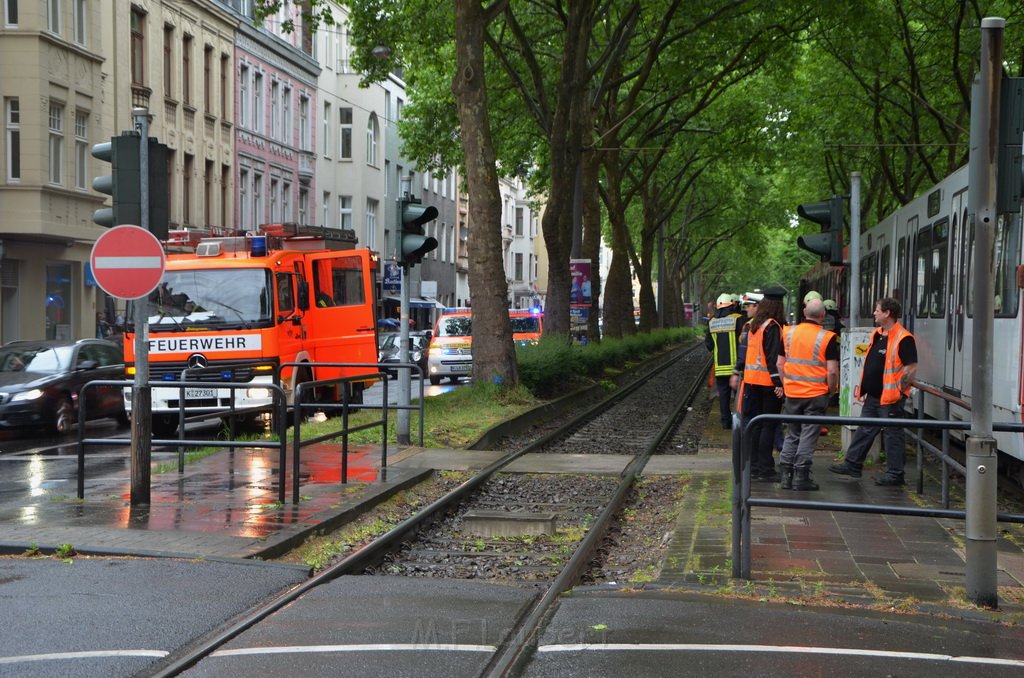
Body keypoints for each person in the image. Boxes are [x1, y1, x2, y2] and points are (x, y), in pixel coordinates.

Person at [830, 296, 918, 486]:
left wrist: (899, 392)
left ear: (887, 313)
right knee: (865, 429)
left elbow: (910, 368)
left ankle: (895, 473)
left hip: (890, 397)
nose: (874, 313)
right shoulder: (877, 334)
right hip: (874, 395)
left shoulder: (903, 338)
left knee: (892, 434)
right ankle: (853, 464)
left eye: (877, 310)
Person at [776, 299, 839, 490]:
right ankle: (801, 476)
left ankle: (786, 475)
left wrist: (787, 384)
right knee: (809, 434)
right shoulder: (828, 338)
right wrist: (832, 389)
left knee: (792, 432)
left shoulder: (787, 333)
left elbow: (780, 363)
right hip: (816, 394)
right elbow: (832, 371)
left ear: (804, 313)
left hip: (793, 393)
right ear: (823, 316)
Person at [731, 285, 787, 482]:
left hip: (752, 382)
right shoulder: (772, 326)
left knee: (755, 425)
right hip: (767, 385)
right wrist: (778, 383)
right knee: (768, 426)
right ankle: (765, 468)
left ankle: (754, 465)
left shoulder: (755, 325)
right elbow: (772, 358)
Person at [705, 293, 745, 429]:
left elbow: (709, 345)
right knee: (739, 396)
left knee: (723, 395)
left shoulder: (712, 322)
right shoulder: (739, 319)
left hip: (720, 367)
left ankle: (725, 422)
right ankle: (739, 424)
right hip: (737, 368)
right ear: (731, 305)